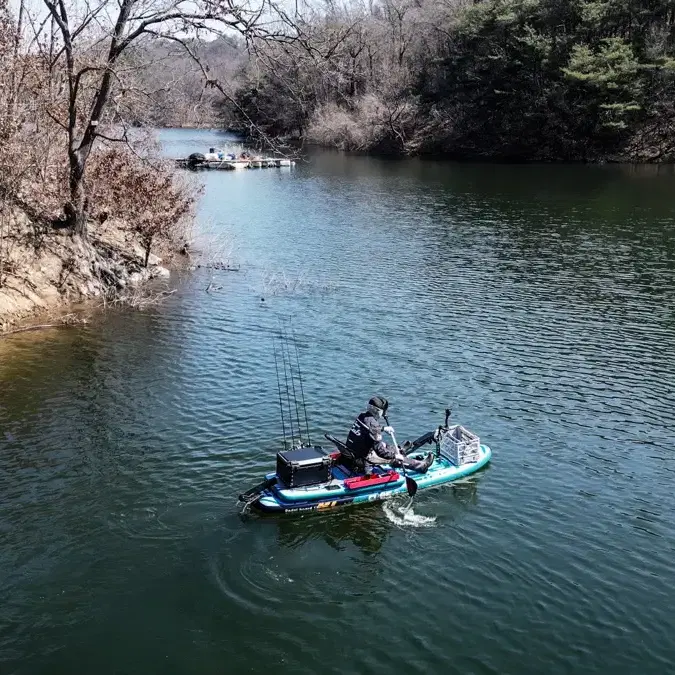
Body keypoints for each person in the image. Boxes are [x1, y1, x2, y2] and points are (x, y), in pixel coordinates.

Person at [344, 396, 434, 475]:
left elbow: (367, 429)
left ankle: (399, 450)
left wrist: (383, 428)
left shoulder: (362, 416)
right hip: (364, 458)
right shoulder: (374, 426)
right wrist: (395, 456)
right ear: (379, 411)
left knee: (384, 445)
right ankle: (422, 466)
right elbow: (381, 453)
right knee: (395, 458)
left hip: (354, 451)